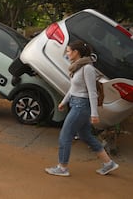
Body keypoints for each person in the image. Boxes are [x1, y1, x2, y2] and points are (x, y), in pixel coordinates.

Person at [45, 40, 119, 176]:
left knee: (65, 135)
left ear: (76, 52)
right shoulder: (77, 66)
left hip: (81, 106)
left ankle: (62, 167)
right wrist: (64, 101)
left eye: (68, 51)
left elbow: (92, 92)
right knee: (85, 135)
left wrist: (94, 114)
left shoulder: (88, 68)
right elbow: (73, 88)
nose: (66, 54)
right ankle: (109, 163)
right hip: (76, 103)